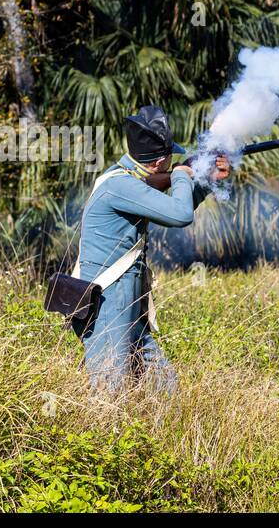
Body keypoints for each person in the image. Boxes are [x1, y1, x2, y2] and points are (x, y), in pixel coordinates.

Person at [71, 105, 230, 394]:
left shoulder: (127, 179)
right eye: (171, 159)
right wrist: (182, 174)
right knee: (110, 390)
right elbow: (180, 215)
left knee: (164, 385)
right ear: (159, 162)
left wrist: (206, 182)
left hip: (127, 298)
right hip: (107, 300)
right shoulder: (121, 185)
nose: (173, 162)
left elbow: (175, 207)